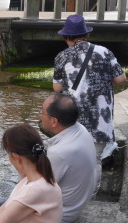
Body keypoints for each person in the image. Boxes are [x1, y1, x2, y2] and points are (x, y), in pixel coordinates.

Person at [53, 14, 127, 195]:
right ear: (86, 35)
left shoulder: (62, 56)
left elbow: (57, 88)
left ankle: (69, 195)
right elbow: (120, 79)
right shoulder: (105, 52)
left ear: (67, 37)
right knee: (95, 160)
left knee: (72, 158)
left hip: (73, 120)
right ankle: (90, 196)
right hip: (101, 120)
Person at [40, 93, 96, 223]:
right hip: (76, 206)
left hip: (61, 215)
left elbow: (39, 192)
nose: (40, 115)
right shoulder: (80, 130)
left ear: (54, 121)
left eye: (42, 112)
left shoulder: (59, 152)